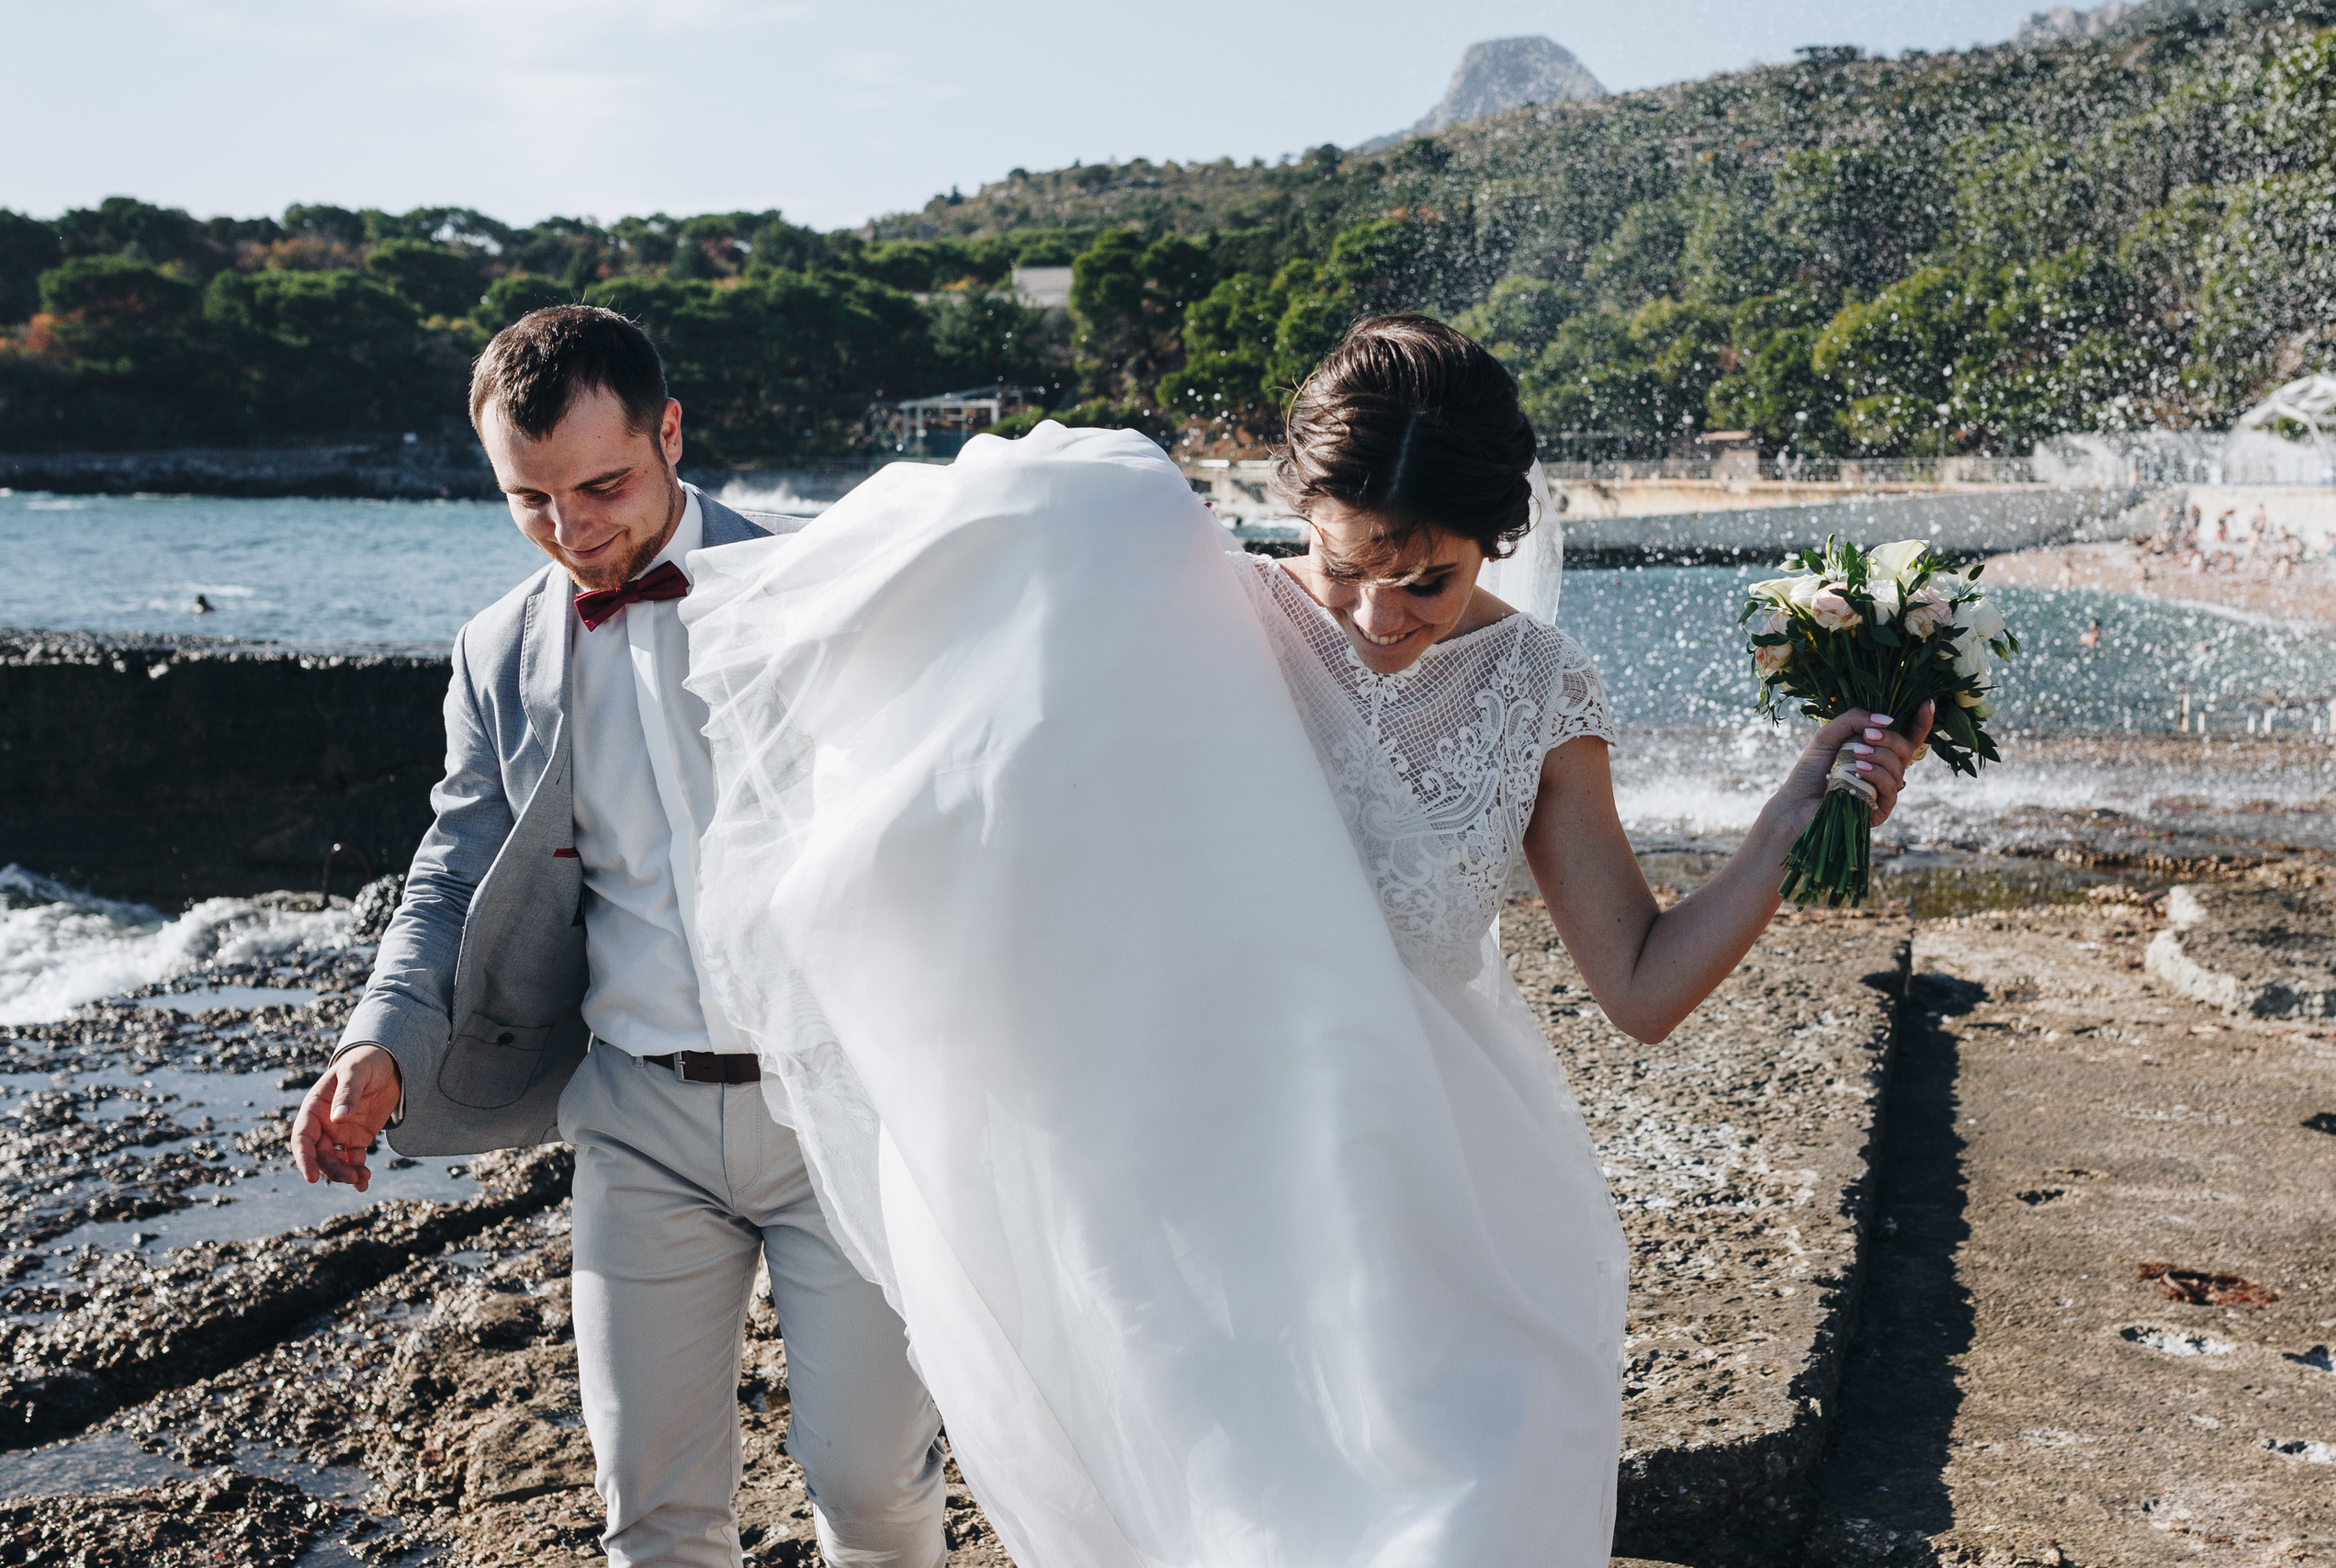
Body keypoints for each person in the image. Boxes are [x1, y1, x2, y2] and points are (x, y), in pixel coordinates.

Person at [680, 314, 1930, 1565]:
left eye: (1427, 578)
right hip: (1208, 1214)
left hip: (1440, 1209)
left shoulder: (1538, 687)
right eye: (1341, 569)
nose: (1378, 614)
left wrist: (1794, 818)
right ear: (1299, 513)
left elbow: (1644, 987)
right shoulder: (1189, 624)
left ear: (1497, 535)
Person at [288, 306, 948, 1568]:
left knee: (869, 1486)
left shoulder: (819, 592)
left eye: (604, 486)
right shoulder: (497, 651)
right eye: (531, 501)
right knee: (652, 1519)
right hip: (634, 1118)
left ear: (673, 434)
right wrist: (381, 1039)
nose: (573, 529)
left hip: (839, 1112)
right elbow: (454, 865)